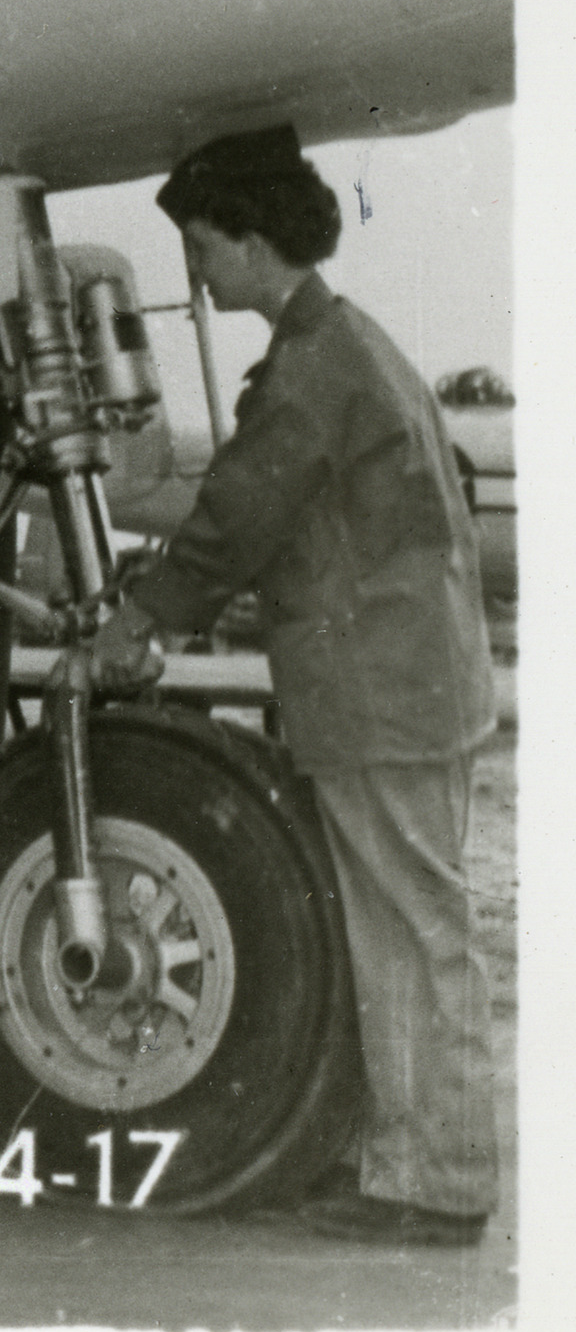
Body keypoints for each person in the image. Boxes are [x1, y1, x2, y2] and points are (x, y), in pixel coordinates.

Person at [74, 126, 499, 1247]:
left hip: (383, 694)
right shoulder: (344, 342)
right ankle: (401, 1164)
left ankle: (440, 1183)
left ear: (256, 243)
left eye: (208, 245)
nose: (200, 271)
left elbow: (230, 527)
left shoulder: (312, 371)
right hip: (406, 681)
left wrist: (133, 621)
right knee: (397, 930)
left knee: (414, 930)